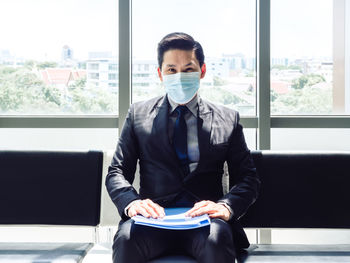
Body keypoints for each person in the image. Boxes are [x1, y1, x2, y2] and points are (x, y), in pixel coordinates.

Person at [106, 32, 260, 263]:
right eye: (171, 70)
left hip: (205, 222)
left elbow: (248, 178)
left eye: (188, 69)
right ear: (160, 74)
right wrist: (132, 203)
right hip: (153, 220)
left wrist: (226, 206)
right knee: (126, 241)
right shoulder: (138, 115)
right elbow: (116, 172)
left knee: (216, 242)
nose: (180, 77)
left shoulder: (228, 119)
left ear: (202, 71)